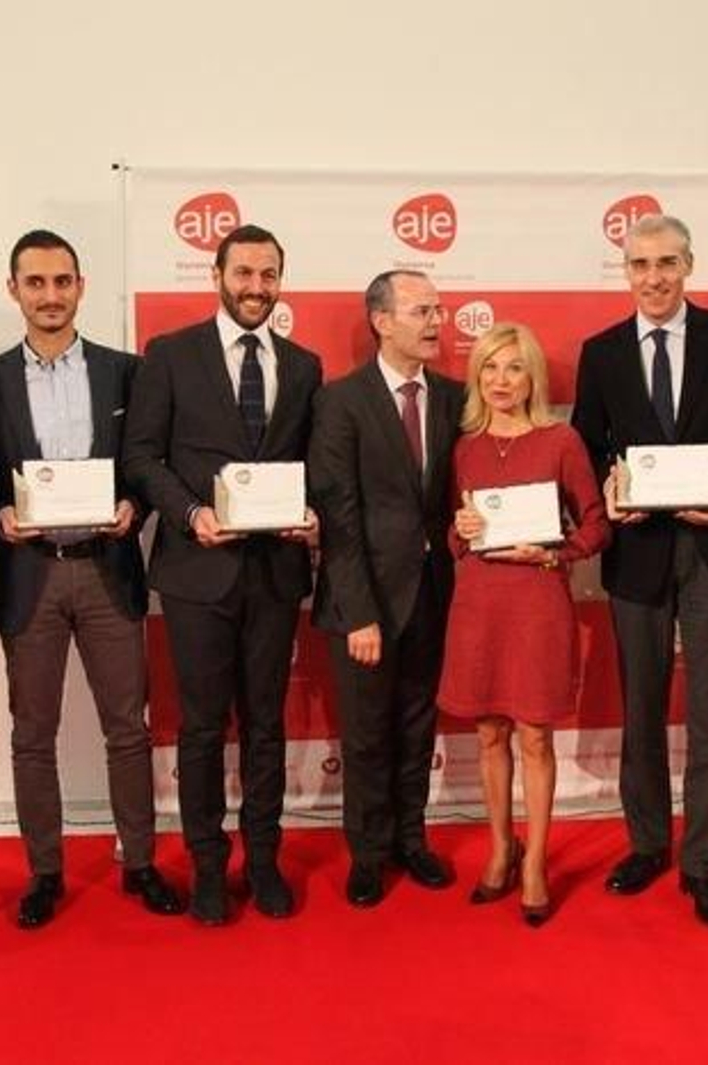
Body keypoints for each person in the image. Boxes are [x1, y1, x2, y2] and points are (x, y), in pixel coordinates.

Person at [571, 214, 708, 929]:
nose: (653, 277)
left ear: (689, 265)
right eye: (639, 264)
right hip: (639, 554)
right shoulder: (601, 353)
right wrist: (611, 489)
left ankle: (704, 865)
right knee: (641, 707)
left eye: (666, 262)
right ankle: (648, 843)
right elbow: (588, 447)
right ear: (624, 272)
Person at [0, 229, 181, 927]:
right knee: (31, 732)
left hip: (106, 570)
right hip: (30, 573)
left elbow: (149, 461)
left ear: (81, 286)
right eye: (35, 283)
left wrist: (139, 503)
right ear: (14, 290)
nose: (50, 295)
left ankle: (141, 861)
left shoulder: (126, 371)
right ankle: (44, 871)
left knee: (128, 727)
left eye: (62, 281)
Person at [123, 224, 322, 925]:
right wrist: (189, 512)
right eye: (244, 273)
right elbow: (143, 456)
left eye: (269, 275)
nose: (256, 287)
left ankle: (263, 858)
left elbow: (314, 465)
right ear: (217, 274)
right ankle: (208, 864)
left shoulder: (304, 366)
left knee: (266, 724)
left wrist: (313, 515)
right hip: (196, 572)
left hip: (274, 572)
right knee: (203, 728)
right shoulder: (170, 355)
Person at [440, 322, 610, 927]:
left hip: (538, 601)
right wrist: (457, 535)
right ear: (476, 376)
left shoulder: (560, 439)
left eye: (513, 368)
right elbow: (453, 533)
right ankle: (499, 849)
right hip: (479, 604)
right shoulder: (463, 447)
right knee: (489, 732)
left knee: (535, 736)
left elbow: (595, 525)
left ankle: (535, 860)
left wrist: (552, 552)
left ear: (532, 375)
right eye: (489, 367)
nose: (501, 380)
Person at [309, 270, 465, 908]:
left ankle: (411, 839)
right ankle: (367, 854)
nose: (435, 322)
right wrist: (359, 614)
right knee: (367, 733)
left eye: (438, 310)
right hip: (365, 600)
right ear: (381, 320)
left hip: (435, 590)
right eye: (421, 311)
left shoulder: (456, 398)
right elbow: (338, 513)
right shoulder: (341, 401)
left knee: (417, 725)